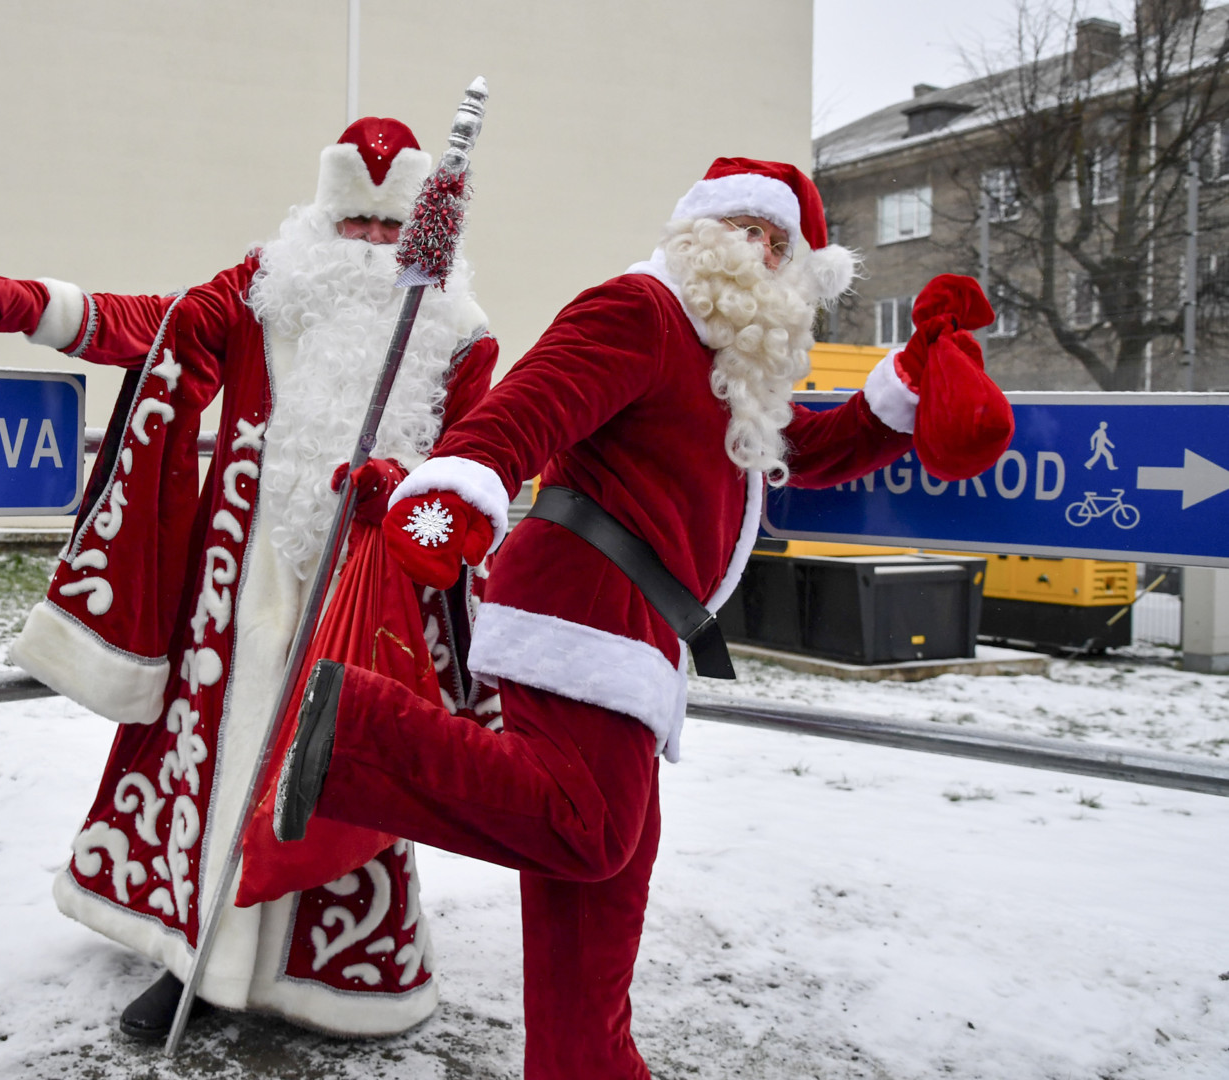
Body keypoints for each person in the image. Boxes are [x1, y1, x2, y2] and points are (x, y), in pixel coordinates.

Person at [273, 158, 1015, 1078]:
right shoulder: (643, 309)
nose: (760, 250)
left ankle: (586, 1063)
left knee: (607, 880)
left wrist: (904, 385)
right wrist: (465, 480)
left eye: (780, 243)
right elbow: (531, 404)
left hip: (635, 631)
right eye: (747, 227)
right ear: (700, 229)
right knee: (589, 829)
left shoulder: (719, 361)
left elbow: (802, 451)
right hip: (581, 608)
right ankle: (349, 735)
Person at [0, 118, 499, 1040]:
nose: (371, 248)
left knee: (334, 776)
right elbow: (160, 327)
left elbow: (475, 469)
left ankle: (324, 975)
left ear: (418, 232)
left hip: (370, 601)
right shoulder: (262, 289)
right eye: (354, 225)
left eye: (391, 231)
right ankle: (198, 961)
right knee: (215, 769)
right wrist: (30, 305)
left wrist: (405, 498)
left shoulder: (458, 334)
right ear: (324, 216)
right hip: (233, 600)